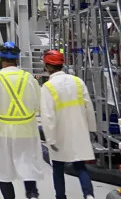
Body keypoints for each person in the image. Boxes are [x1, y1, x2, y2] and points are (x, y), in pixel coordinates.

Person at [0, 42, 44, 199]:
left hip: (3, 131)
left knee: (3, 170)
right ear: (17, 59)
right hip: (27, 130)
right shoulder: (29, 78)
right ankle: (32, 194)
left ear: (1, 59)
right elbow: (38, 104)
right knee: (28, 164)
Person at [40, 50, 96, 199]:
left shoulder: (48, 87)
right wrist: (91, 129)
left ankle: (60, 196)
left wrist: (50, 139)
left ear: (47, 66)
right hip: (79, 130)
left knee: (58, 168)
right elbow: (88, 107)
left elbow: (47, 116)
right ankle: (89, 195)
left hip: (60, 134)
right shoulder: (78, 81)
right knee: (80, 166)